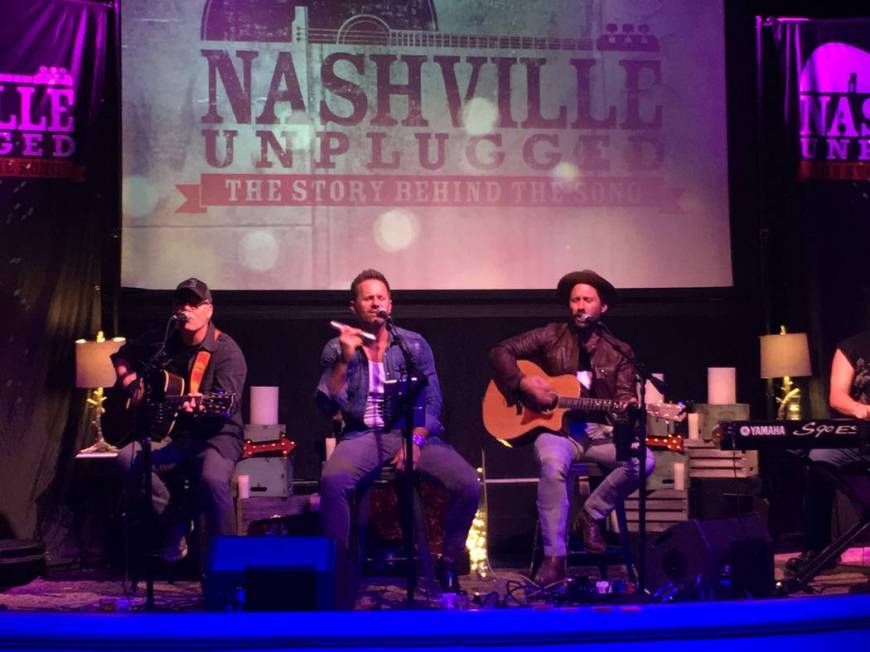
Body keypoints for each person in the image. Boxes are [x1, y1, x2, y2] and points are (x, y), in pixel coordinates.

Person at [316, 269, 480, 593]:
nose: (375, 303)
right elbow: (326, 402)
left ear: (390, 304)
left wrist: (417, 440)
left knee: (468, 484)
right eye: (368, 298)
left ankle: (447, 564)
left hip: (410, 431)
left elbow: (432, 400)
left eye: (381, 297)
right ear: (354, 307)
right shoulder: (337, 348)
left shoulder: (414, 345)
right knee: (333, 482)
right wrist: (345, 359)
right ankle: (340, 576)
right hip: (363, 435)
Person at [489, 269, 654, 586]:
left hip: (598, 434)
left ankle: (591, 515)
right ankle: (555, 558)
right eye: (575, 299)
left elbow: (622, 394)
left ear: (602, 307)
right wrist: (524, 383)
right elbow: (500, 351)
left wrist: (626, 405)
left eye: (587, 300)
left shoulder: (619, 351)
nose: (580, 305)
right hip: (558, 433)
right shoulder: (551, 335)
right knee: (553, 467)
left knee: (643, 460)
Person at [113, 278, 247, 562]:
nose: (186, 309)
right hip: (175, 436)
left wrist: (201, 406)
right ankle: (174, 524)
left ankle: (230, 564)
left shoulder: (226, 351)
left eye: (194, 303)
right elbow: (121, 355)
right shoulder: (163, 342)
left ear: (209, 310)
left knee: (212, 480)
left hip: (217, 436)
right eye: (180, 303)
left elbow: (226, 403)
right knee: (128, 459)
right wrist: (130, 383)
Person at [787, 328, 870, 573]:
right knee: (819, 458)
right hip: (860, 438)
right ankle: (818, 547)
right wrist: (860, 409)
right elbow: (837, 398)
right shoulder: (852, 345)